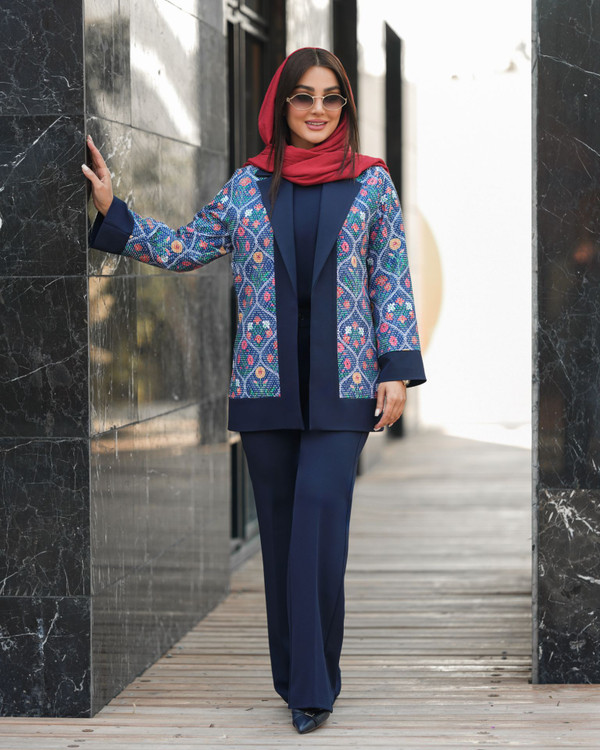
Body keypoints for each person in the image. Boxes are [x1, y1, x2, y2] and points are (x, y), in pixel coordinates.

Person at [83, 46, 426, 735]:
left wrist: (396, 368)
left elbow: (390, 277)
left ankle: (314, 686)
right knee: (282, 533)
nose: (319, 110)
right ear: (282, 103)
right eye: (305, 97)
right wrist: (113, 210)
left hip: (345, 387)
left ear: (345, 106)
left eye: (331, 98)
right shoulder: (247, 186)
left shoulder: (371, 183)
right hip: (266, 387)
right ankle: (296, 676)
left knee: (320, 524)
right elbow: (185, 247)